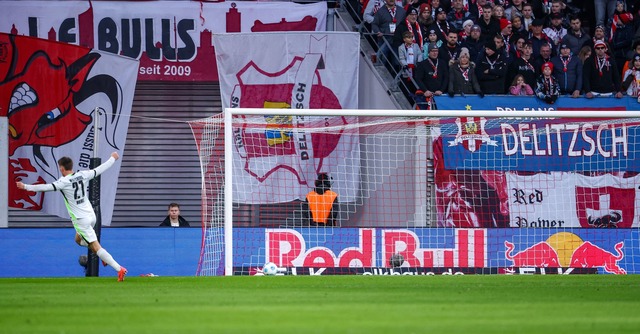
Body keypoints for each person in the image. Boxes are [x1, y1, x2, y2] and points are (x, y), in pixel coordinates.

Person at [15, 152, 127, 281]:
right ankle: (103, 255)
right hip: (91, 215)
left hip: (81, 220)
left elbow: (45, 187)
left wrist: (25, 186)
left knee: (96, 247)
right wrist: (112, 158)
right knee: (78, 240)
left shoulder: (63, 182)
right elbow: (100, 169)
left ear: (61, 168)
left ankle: (119, 269)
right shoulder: (83, 174)